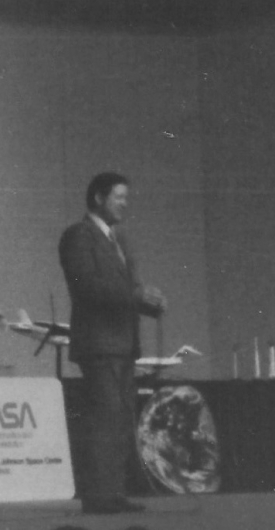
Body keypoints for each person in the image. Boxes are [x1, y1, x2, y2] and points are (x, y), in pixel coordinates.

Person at [59, 171, 166, 515]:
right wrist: (136, 295)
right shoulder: (78, 236)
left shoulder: (118, 240)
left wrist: (150, 301)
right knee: (104, 417)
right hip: (99, 343)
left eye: (126, 197)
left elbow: (125, 292)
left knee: (119, 418)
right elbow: (88, 286)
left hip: (121, 343)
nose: (125, 204)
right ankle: (99, 496)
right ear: (97, 199)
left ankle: (112, 493)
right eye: (119, 197)